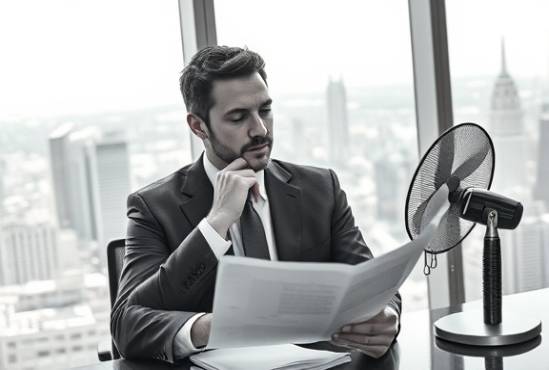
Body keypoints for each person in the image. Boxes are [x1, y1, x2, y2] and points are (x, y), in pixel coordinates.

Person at [111, 46, 401, 363]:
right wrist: (216, 225)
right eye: (238, 117)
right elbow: (127, 325)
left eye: (265, 111)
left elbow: (373, 284)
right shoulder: (154, 208)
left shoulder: (321, 188)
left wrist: (387, 316)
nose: (260, 130)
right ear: (198, 126)